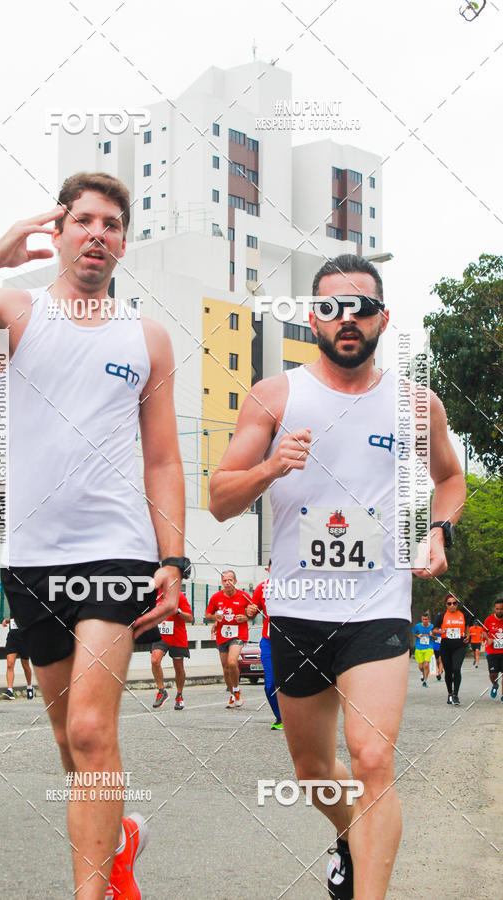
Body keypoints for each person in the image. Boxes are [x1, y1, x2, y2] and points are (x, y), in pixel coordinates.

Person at [0, 171, 189, 900]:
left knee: (93, 731)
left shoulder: (146, 337)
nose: (98, 233)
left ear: (123, 243)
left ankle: (94, 893)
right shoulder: (14, 310)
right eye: (84, 220)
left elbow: (161, 457)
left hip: (116, 549)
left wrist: (174, 558)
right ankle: (119, 835)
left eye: (112, 225)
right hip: (32, 556)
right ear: (58, 233)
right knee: (69, 741)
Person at [208, 254, 466, 900]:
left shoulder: (415, 404)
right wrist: (269, 469)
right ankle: (351, 836)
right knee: (314, 770)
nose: (346, 320)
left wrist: (441, 530)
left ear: (384, 318)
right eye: (330, 308)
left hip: (377, 606)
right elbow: (219, 497)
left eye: (360, 307)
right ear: (312, 318)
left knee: (374, 759)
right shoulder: (276, 396)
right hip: (297, 609)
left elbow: (451, 478)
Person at [206, 570, 252, 708]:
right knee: (226, 668)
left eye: (230, 580)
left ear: (235, 581)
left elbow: (253, 612)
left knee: (232, 662)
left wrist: (246, 617)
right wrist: (215, 618)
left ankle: (237, 690)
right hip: (222, 635)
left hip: (238, 634)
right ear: (222, 582)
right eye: (225, 580)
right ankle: (233, 695)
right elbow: (208, 614)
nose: (227, 583)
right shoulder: (216, 597)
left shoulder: (244, 596)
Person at [247, 562, 282, 729]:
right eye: (272, 568)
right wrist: (250, 611)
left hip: (292, 641)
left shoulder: (297, 587)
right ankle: (280, 717)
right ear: (268, 569)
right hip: (268, 640)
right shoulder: (261, 588)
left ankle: (298, 717)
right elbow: (252, 611)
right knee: (270, 682)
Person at [151, 591, 193, 710]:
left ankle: (179, 695)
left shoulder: (179, 596)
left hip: (177, 636)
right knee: (155, 660)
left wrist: (178, 611)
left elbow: (190, 618)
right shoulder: (154, 595)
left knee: (178, 668)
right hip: (161, 636)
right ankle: (161, 691)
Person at [432, 594, 469, 705]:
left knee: (456, 668)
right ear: (446, 605)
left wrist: (467, 635)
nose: (452, 605)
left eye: (454, 603)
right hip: (446, 646)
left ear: (457, 604)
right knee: (448, 672)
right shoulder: (442, 615)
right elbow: (433, 630)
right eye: (449, 603)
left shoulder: (463, 614)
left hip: (459, 645)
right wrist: (440, 632)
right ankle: (449, 693)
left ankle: (455, 694)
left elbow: (467, 626)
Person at [1, 616, 34, 699]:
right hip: (12, 639)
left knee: (25, 666)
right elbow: (13, 617)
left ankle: (29, 687)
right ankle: (10, 690)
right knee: (10, 664)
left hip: (23, 640)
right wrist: (6, 621)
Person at [483, 597, 503, 700]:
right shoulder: (489, 619)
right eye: (497, 609)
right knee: (493, 674)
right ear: (495, 609)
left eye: (501, 609)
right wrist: (488, 639)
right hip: (492, 651)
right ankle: (495, 684)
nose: (499, 611)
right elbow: (484, 632)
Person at [411, 612, 434, 687]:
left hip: (429, 647)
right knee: (421, 666)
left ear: (428, 619)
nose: (424, 621)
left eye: (426, 619)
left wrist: (432, 635)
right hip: (419, 647)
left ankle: (425, 681)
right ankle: (423, 673)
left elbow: (436, 638)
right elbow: (413, 633)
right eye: (423, 619)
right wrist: (417, 635)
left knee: (426, 664)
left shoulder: (432, 626)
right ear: (421, 619)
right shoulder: (418, 626)